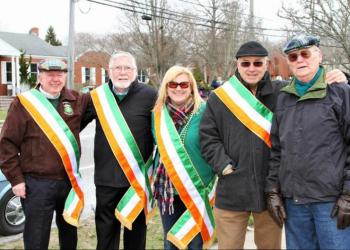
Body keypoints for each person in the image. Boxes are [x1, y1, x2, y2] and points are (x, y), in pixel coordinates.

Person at [199, 41, 348, 249]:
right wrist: (223, 165)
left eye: (258, 63)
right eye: (246, 63)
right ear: (237, 65)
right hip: (233, 188)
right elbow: (207, 137)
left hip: (269, 193)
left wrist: (339, 76)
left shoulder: (282, 93)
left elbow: (311, 86)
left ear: (267, 64)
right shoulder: (219, 97)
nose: (252, 68)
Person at [265, 34, 350, 249]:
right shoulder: (284, 97)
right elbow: (277, 150)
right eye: (293, 57)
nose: (300, 60)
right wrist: (273, 190)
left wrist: (348, 195)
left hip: (330, 203)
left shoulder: (340, 93)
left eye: (305, 54)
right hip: (294, 204)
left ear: (319, 56)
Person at [0, 58, 89, 250]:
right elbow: (7, 144)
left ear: (66, 76)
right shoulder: (23, 103)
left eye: (60, 75)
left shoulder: (77, 99)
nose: (55, 79)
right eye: (50, 75)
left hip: (69, 181)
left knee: (69, 235)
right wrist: (16, 180)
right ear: (39, 76)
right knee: (36, 238)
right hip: (36, 184)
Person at [81, 51, 157, 250]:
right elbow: (71, 127)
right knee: (105, 239)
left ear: (134, 71)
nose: (122, 72)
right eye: (118, 68)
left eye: (127, 68)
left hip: (138, 181)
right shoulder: (97, 97)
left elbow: (163, 131)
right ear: (109, 71)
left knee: (136, 239)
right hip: (106, 180)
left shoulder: (150, 95)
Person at [152, 65, 216, 250]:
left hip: (196, 189)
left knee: (195, 244)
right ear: (166, 86)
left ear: (191, 88)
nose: (178, 88)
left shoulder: (205, 111)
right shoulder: (157, 114)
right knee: (171, 241)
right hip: (168, 190)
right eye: (173, 83)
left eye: (184, 84)